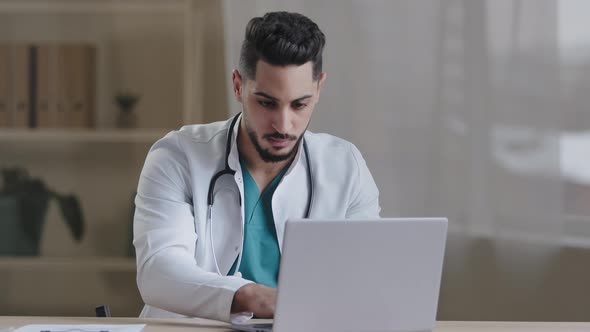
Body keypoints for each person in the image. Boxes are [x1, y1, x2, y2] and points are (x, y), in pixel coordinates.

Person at [133, 11, 380, 323]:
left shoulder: (346, 167)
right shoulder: (177, 157)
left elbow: (366, 277)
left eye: (299, 104)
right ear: (238, 86)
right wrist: (250, 296)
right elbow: (159, 272)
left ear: (319, 88)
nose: (283, 124)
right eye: (266, 102)